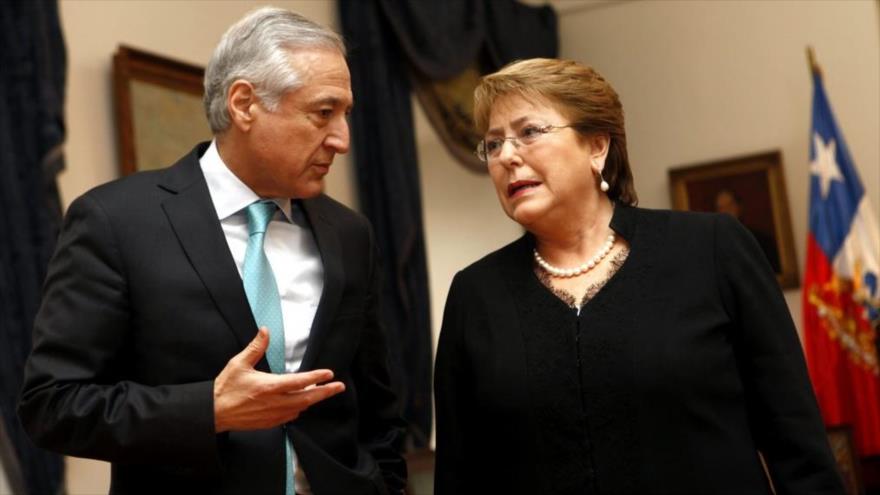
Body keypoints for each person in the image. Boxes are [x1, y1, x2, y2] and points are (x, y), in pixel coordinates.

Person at [18, 7, 406, 495]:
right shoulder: (115, 221)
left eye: (346, 114)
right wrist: (209, 410)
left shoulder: (349, 232)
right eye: (323, 113)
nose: (342, 139)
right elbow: (52, 405)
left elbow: (378, 406)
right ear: (244, 104)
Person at [433, 58, 844, 494]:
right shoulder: (475, 295)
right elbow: (461, 475)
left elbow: (797, 444)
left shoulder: (711, 250)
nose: (507, 157)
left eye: (529, 132)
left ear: (597, 147)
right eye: (493, 144)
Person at [714, 188, 782, 273]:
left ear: (739, 206)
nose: (726, 211)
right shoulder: (714, 246)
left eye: (730, 205)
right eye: (721, 208)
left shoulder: (762, 241)